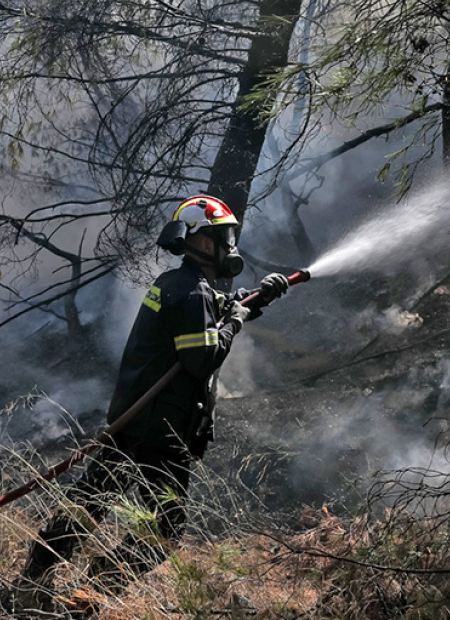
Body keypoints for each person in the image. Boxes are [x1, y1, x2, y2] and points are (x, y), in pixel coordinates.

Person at [22, 194, 290, 586]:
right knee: (165, 528)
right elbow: (203, 357)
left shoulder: (177, 283)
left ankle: (36, 573)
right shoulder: (193, 290)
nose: (230, 246)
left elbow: (213, 309)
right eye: (223, 236)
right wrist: (235, 321)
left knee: (90, 502)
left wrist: (256, 299)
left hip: (133, 420)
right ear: (200, 241)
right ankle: (95, 592)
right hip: (161, 430)